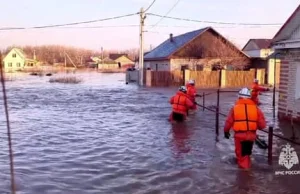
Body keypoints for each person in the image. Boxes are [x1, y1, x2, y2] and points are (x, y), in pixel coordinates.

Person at [223, 87, 266, 169]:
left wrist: (226, 132)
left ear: (239, 97)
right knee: (246, 154)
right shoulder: (256, 109)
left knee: (242, 156)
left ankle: (244, 176)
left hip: (240, 137)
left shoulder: (234, 109)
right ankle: (247, 172)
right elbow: (262, 125)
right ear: (250, 97)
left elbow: (228, 123)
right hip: (251, 136)